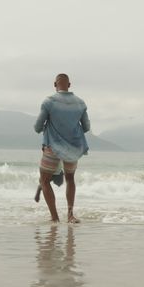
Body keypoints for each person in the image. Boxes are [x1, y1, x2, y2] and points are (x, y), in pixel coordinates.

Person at [34, 73, 90, 223]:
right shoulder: (81, 103)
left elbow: (37, 126)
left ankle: (55, 218)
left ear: (55, 85)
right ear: (69, 85)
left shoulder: (49, 102)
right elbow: (86, 127)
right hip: (73, 147)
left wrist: (47, 127)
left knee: (44, 181)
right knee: (70, 179)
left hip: (52, 146)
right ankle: (71, 215)